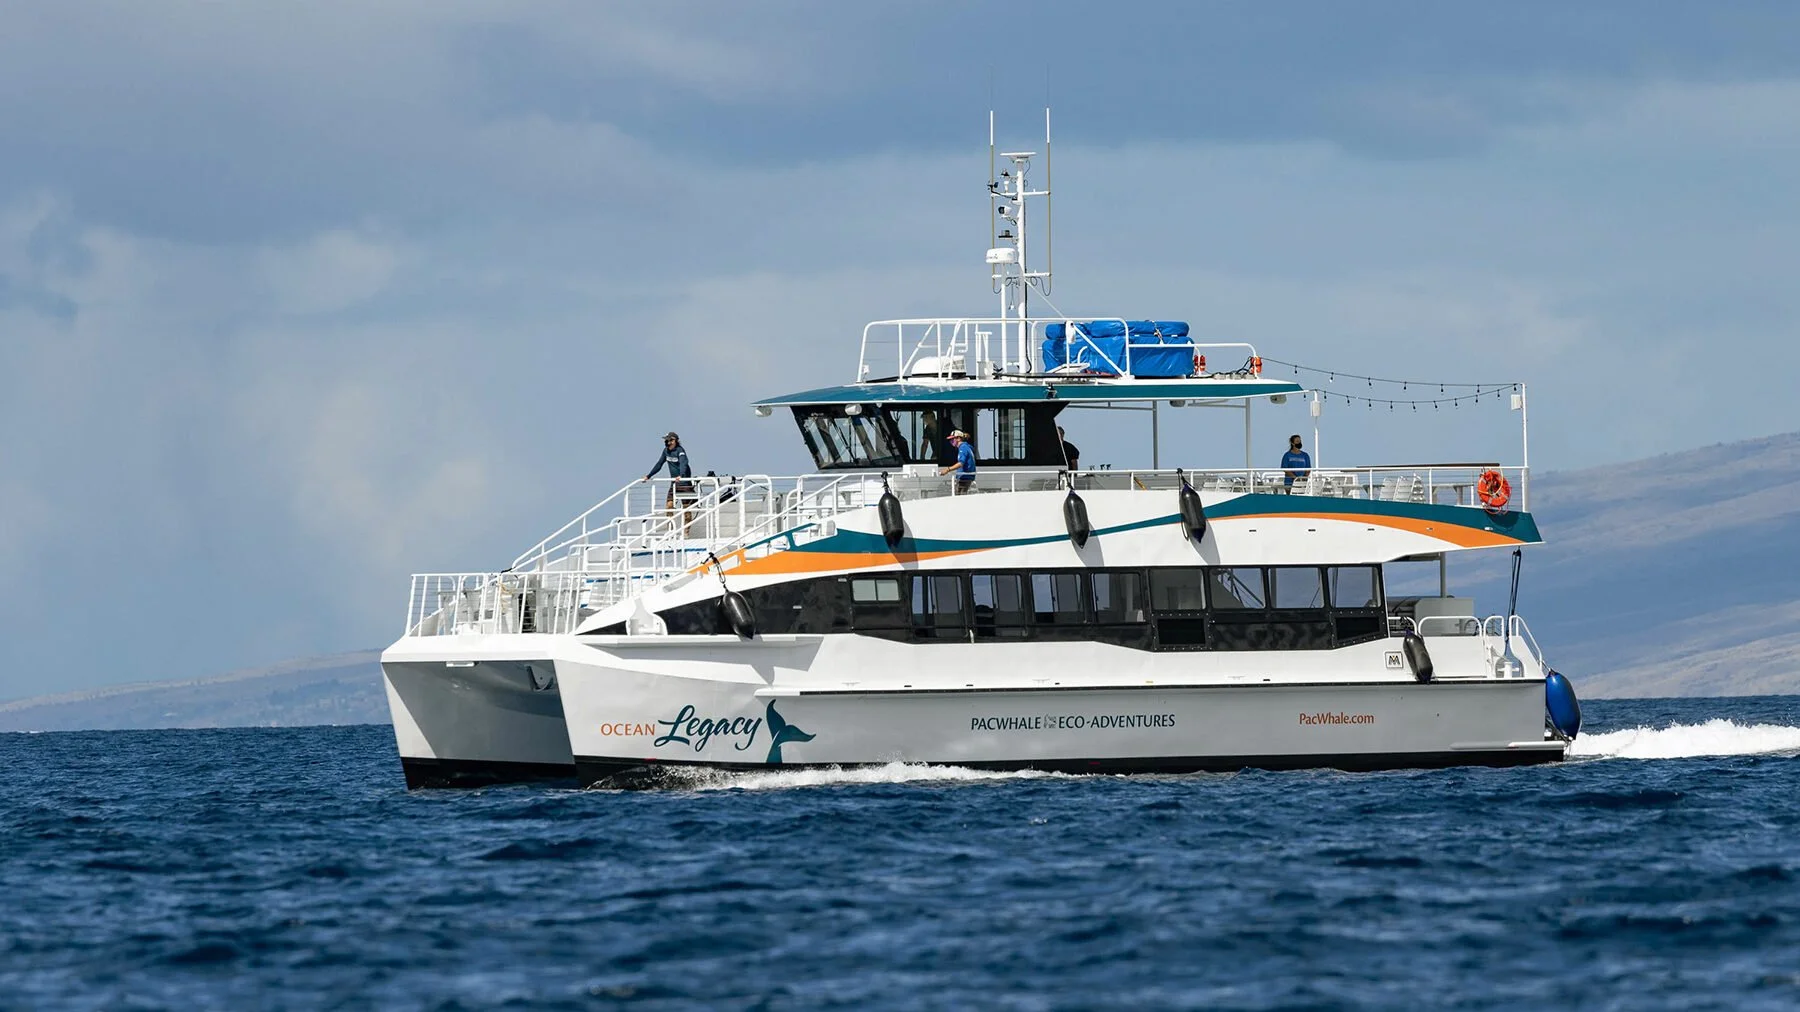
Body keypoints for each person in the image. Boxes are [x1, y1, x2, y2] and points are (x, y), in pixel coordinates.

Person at [646, 431, 696, 525]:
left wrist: (681, 475)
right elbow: (659, 464)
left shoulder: (680, 451)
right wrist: (649, 475)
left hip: (684, 483)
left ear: (676, 441)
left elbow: (683, 463)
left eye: (671, 440)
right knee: (669, 505)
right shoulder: (666, 451)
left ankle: (686, 530)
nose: (669, 442)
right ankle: (670, 527)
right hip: (674, 483)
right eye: (667, 441)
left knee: (686, 509)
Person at [939, 428, 977, 493]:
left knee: (959, 499)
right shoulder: (967, 447)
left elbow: (960, 463)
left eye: (952, 439)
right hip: (967, 478)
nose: (951, 442)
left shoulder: (963, 448)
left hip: (964, 478)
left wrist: (947, 469)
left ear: (959, 438)